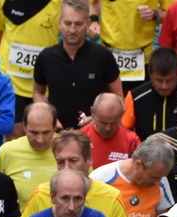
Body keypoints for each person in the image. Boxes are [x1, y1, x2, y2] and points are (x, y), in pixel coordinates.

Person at [33, 0, 119, 130]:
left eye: (78, 24)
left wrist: (98, 119)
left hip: (95, 133)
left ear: (88, 24)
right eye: (68, 23)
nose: (72, 30)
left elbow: (118, 98)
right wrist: (48, 116)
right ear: (59, 23)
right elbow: (37, 92)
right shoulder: (45, 57)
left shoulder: (103, 56)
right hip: (58, 134)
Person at [122, 46, 177, 140]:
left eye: (170, 80)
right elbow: (124, 134)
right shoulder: (135, 97)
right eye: (159, 81)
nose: (164, 86)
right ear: (150, 74)